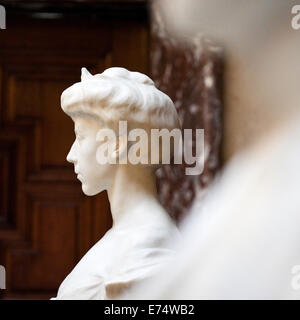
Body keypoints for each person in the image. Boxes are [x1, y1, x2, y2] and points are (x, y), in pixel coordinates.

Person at [51, 67, 180, 300]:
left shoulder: (146, 249)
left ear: (118, 144)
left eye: (80, 137)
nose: (70, 154)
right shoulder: (126, 236)